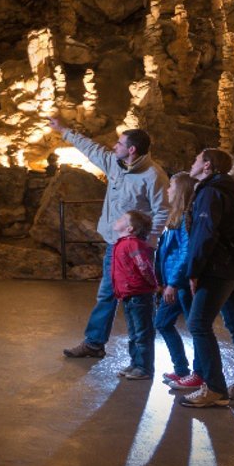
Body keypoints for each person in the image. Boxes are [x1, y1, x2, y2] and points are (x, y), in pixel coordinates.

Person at [51, 119, 167, 360]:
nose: (115, 146)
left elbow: (163, 210)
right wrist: (64, 131)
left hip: (135, 250)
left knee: (136, 303)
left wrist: (146, 244)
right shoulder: (115, 164)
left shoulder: (153, 175)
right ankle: (94, 343)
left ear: (132, 149)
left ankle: (141, 360)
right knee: (106, 294)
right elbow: (91, 148)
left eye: (120, 143)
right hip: (115, 245)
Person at [171, 148, 234, 408]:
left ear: (207, 165)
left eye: (196, 159)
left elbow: (204, 234)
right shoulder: (231, 190)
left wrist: (194, 271)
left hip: (217, 269)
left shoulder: (210, 192)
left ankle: (215, 388)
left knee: (198, 324)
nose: (192, 163)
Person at [152, 173, 195, 383]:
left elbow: (186, 253)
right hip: (173, 282)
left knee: (195, 328)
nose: (167, 190)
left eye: (171, 186)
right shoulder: (175, 217)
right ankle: (182, 370)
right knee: (162, 322)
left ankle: (195, 373)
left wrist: (173, 283)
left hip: (181, 284)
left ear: (180, 191)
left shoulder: (185, 218)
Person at [109, 210, 160, 380]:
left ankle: (144, 367)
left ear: (130, 228)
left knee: (142, 332)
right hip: (128, 294)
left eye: (123, 218)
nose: (118, 219)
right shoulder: (123, 243)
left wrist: (153, 285)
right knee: (133, 332)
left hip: (139, 294)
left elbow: (144, 266)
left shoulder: (133, 244)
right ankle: (136, 362)